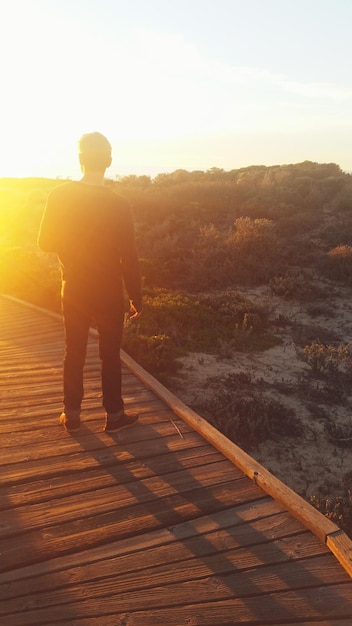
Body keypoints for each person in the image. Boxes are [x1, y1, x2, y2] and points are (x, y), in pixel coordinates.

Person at [38, 132, 142, 434]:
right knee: (110, 354)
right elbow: (129, 257)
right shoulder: (120, 204)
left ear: (80, 159)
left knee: (75, 351)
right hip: (109, 292)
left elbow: (45, 242)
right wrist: (136, 296)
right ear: (109, 161)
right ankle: (115, 415)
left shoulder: (59, 196)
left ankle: (71, 414)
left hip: (73, 288)